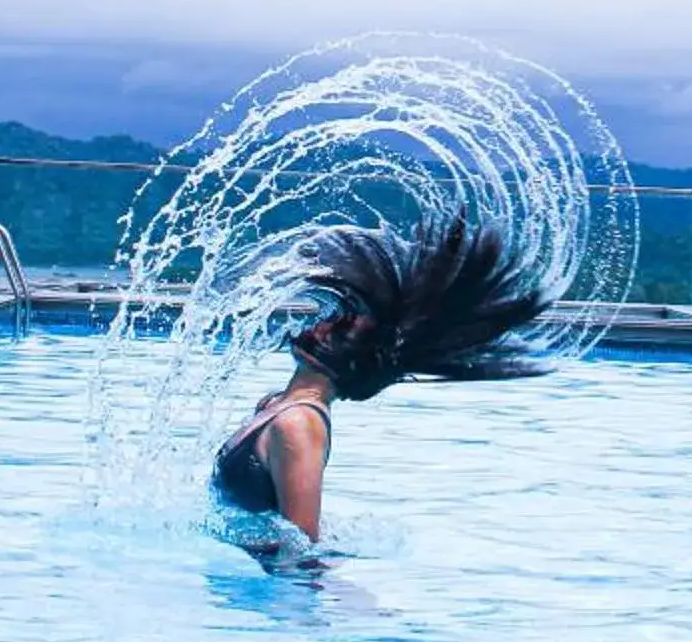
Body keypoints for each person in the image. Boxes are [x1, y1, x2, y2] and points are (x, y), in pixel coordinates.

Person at [213, 218, 553, 544]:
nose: (322, 324)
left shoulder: (298, 424)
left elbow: (300, 545)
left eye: (339, 328)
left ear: (348, 360)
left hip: (270, 585)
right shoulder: (274, 405)